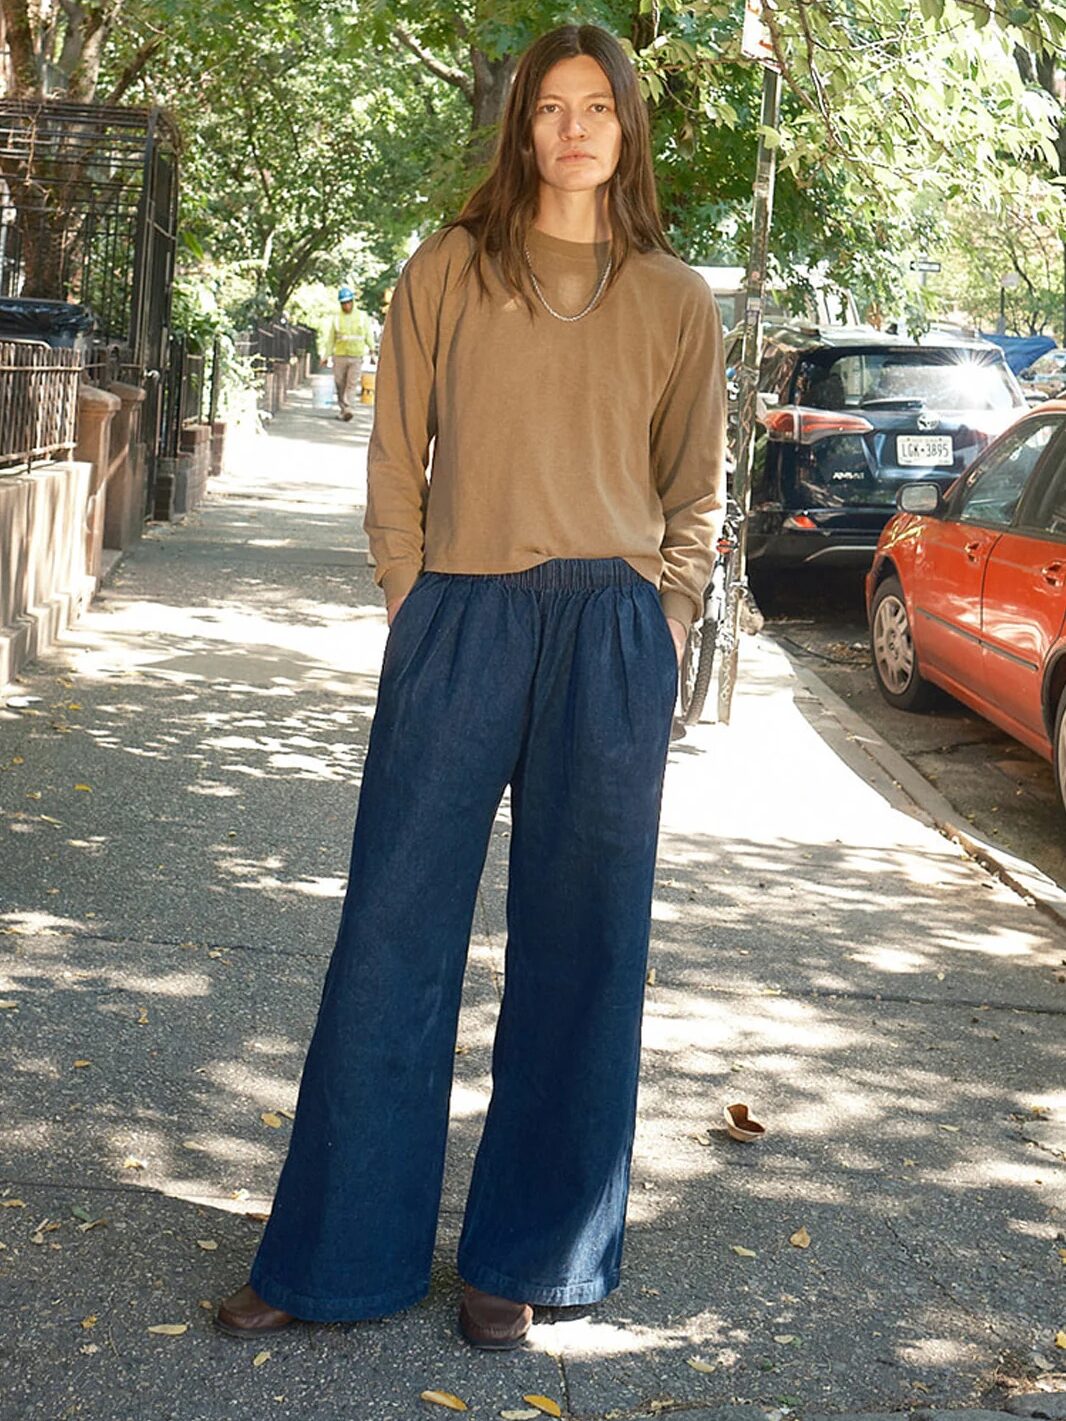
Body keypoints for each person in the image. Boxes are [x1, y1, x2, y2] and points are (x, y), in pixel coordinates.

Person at [217, 22, 725, 1351]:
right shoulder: (445, 268)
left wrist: (666, 618)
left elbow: (693, 489)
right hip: (459, 622)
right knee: (391, 932)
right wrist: (408, 593)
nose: (572, 129)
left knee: (584, 952)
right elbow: (396, 450)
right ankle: (333, 1260)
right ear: (521, 128)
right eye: (549, 108)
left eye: (594, 108)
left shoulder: (674, 297)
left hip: (611, 634)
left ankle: (528, 1258)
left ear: (625, 128)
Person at [324, 285, 372, 420]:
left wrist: (372, 349)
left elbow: (368, 334)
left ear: (352, 301)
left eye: (348, 302)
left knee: (352, 383)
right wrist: (325, 356)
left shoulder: (362, 316)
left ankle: (348, 408)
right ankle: (343, 408)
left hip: (356, 356)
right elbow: (331, 339)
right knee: (340, 384)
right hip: (339, 356)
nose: (346, 305)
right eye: (343, 303)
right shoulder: (337, 318)